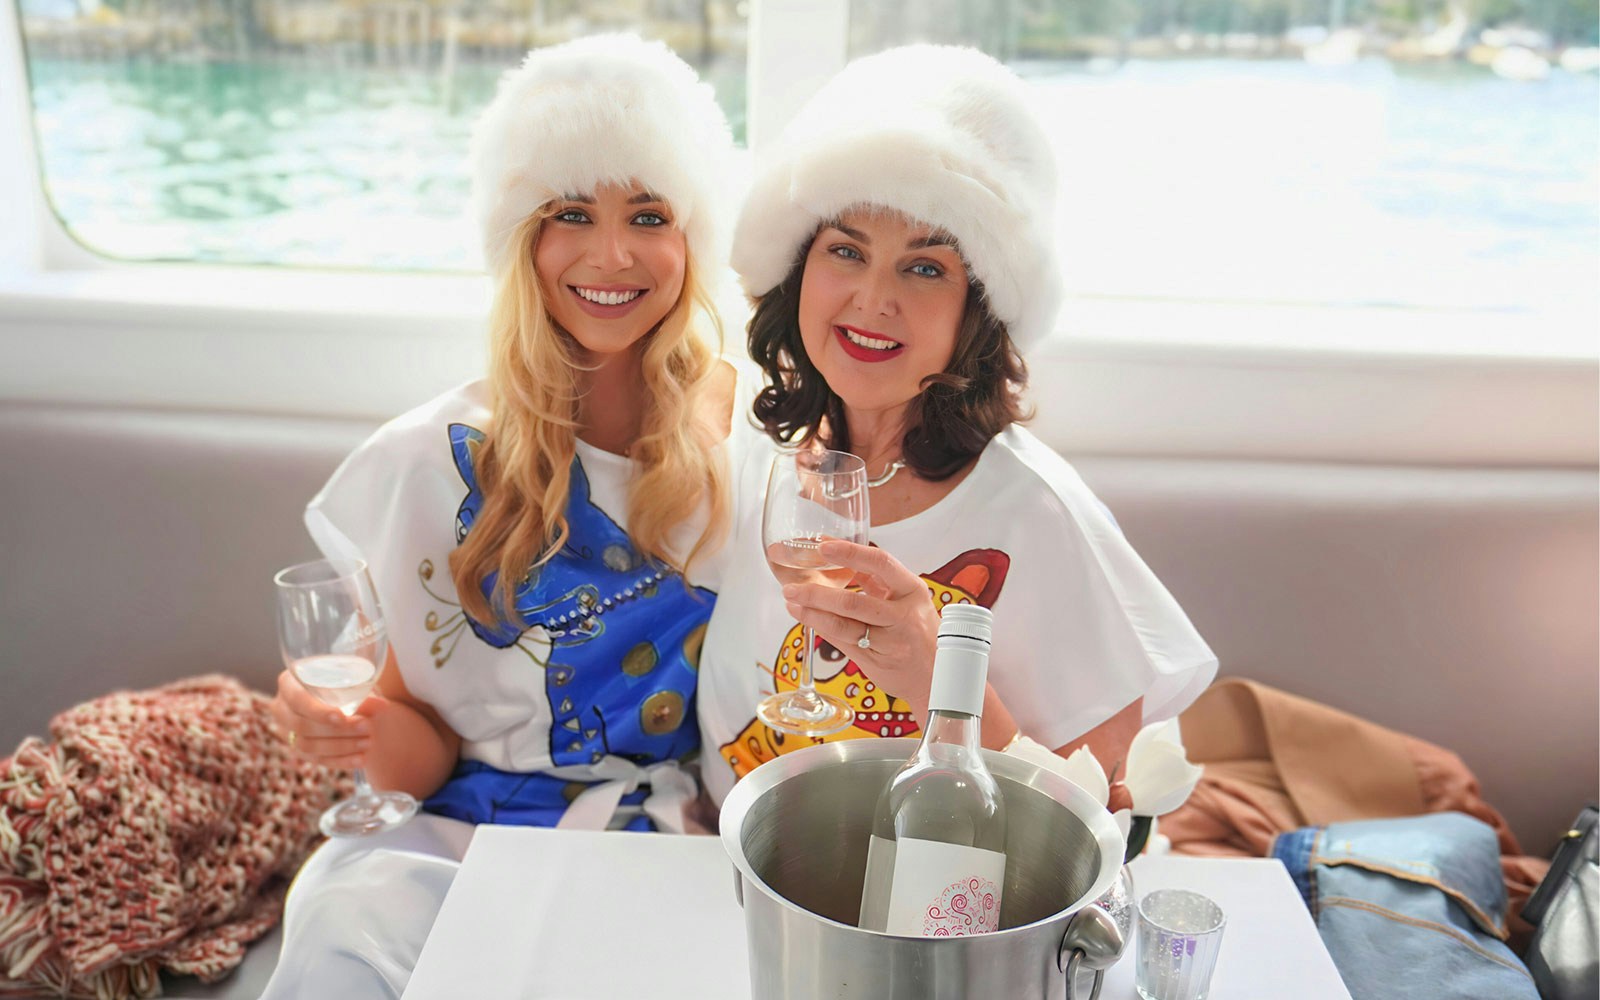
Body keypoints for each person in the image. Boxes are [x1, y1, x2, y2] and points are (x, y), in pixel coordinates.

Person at [259, 34, 750, 998]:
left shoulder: (752, 451)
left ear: (691, 241)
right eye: (573, 212)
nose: (612, 254)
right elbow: (421, 740)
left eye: (647, 213)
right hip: (453, 836)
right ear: (523, 235)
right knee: (341, 920)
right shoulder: (432, 458)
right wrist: (348, 730)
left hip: (655, 839)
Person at [696, 44, 1219, 807]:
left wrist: (934, 676)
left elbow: (1095, 819)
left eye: (925, 267)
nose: (874, 299)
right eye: (846, 250)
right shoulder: (756, 456)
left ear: (978, 310)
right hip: (726, 871)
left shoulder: (1038, 513)